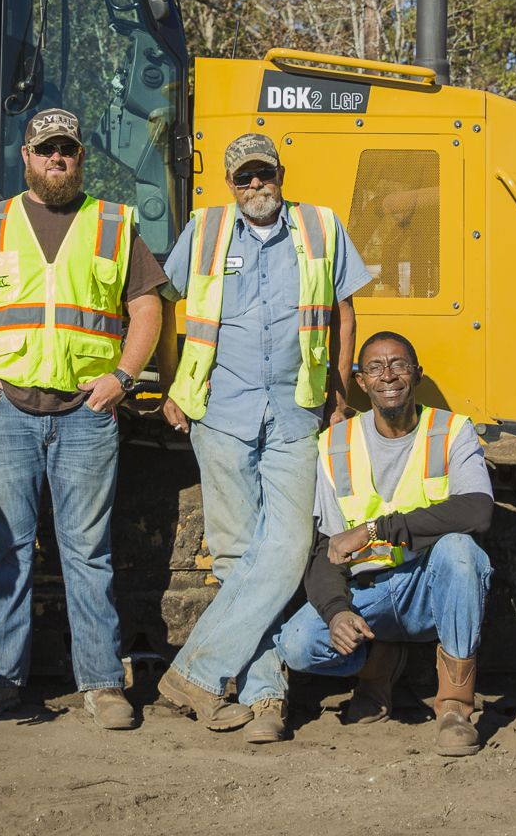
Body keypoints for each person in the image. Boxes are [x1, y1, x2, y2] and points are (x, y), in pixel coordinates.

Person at [0, 107, 166, 731]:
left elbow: (147, 309)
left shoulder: (113, 223)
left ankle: (102, 684)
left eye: (67, 148)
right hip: (6, 410)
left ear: (80, 157)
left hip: (86, 413)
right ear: (27, 157)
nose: (57, 158)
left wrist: (122, 378)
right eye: (46, 149)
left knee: (88, 552)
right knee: (6, 550)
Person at [154, 133, 371, 742]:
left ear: (280, 174)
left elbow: (344, 311)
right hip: (221, 411)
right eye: (244, 177)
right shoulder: (205, 229)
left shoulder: (321, 226)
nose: (255, 186)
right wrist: (172, 384)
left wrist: (339, 392)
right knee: (236, 555)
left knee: (289, 546)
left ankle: (194, 675)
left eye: (264, 175)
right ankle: (265, 697)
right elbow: (163, 299)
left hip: (297, 412)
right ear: (230, 183)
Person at [274, 331, 495, 756]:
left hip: (429, 588)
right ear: (361, 381)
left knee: (461, 552)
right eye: (375, 368)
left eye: (398, 365)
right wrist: (337, 612)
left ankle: (455, 708)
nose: (388, 376)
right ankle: (377, 664)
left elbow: (477, 510)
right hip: (369, 593)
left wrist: (375, 530)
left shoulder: (452, 430)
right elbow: (327, 547)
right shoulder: (336, 443)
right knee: (297, 645)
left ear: (417, 374)